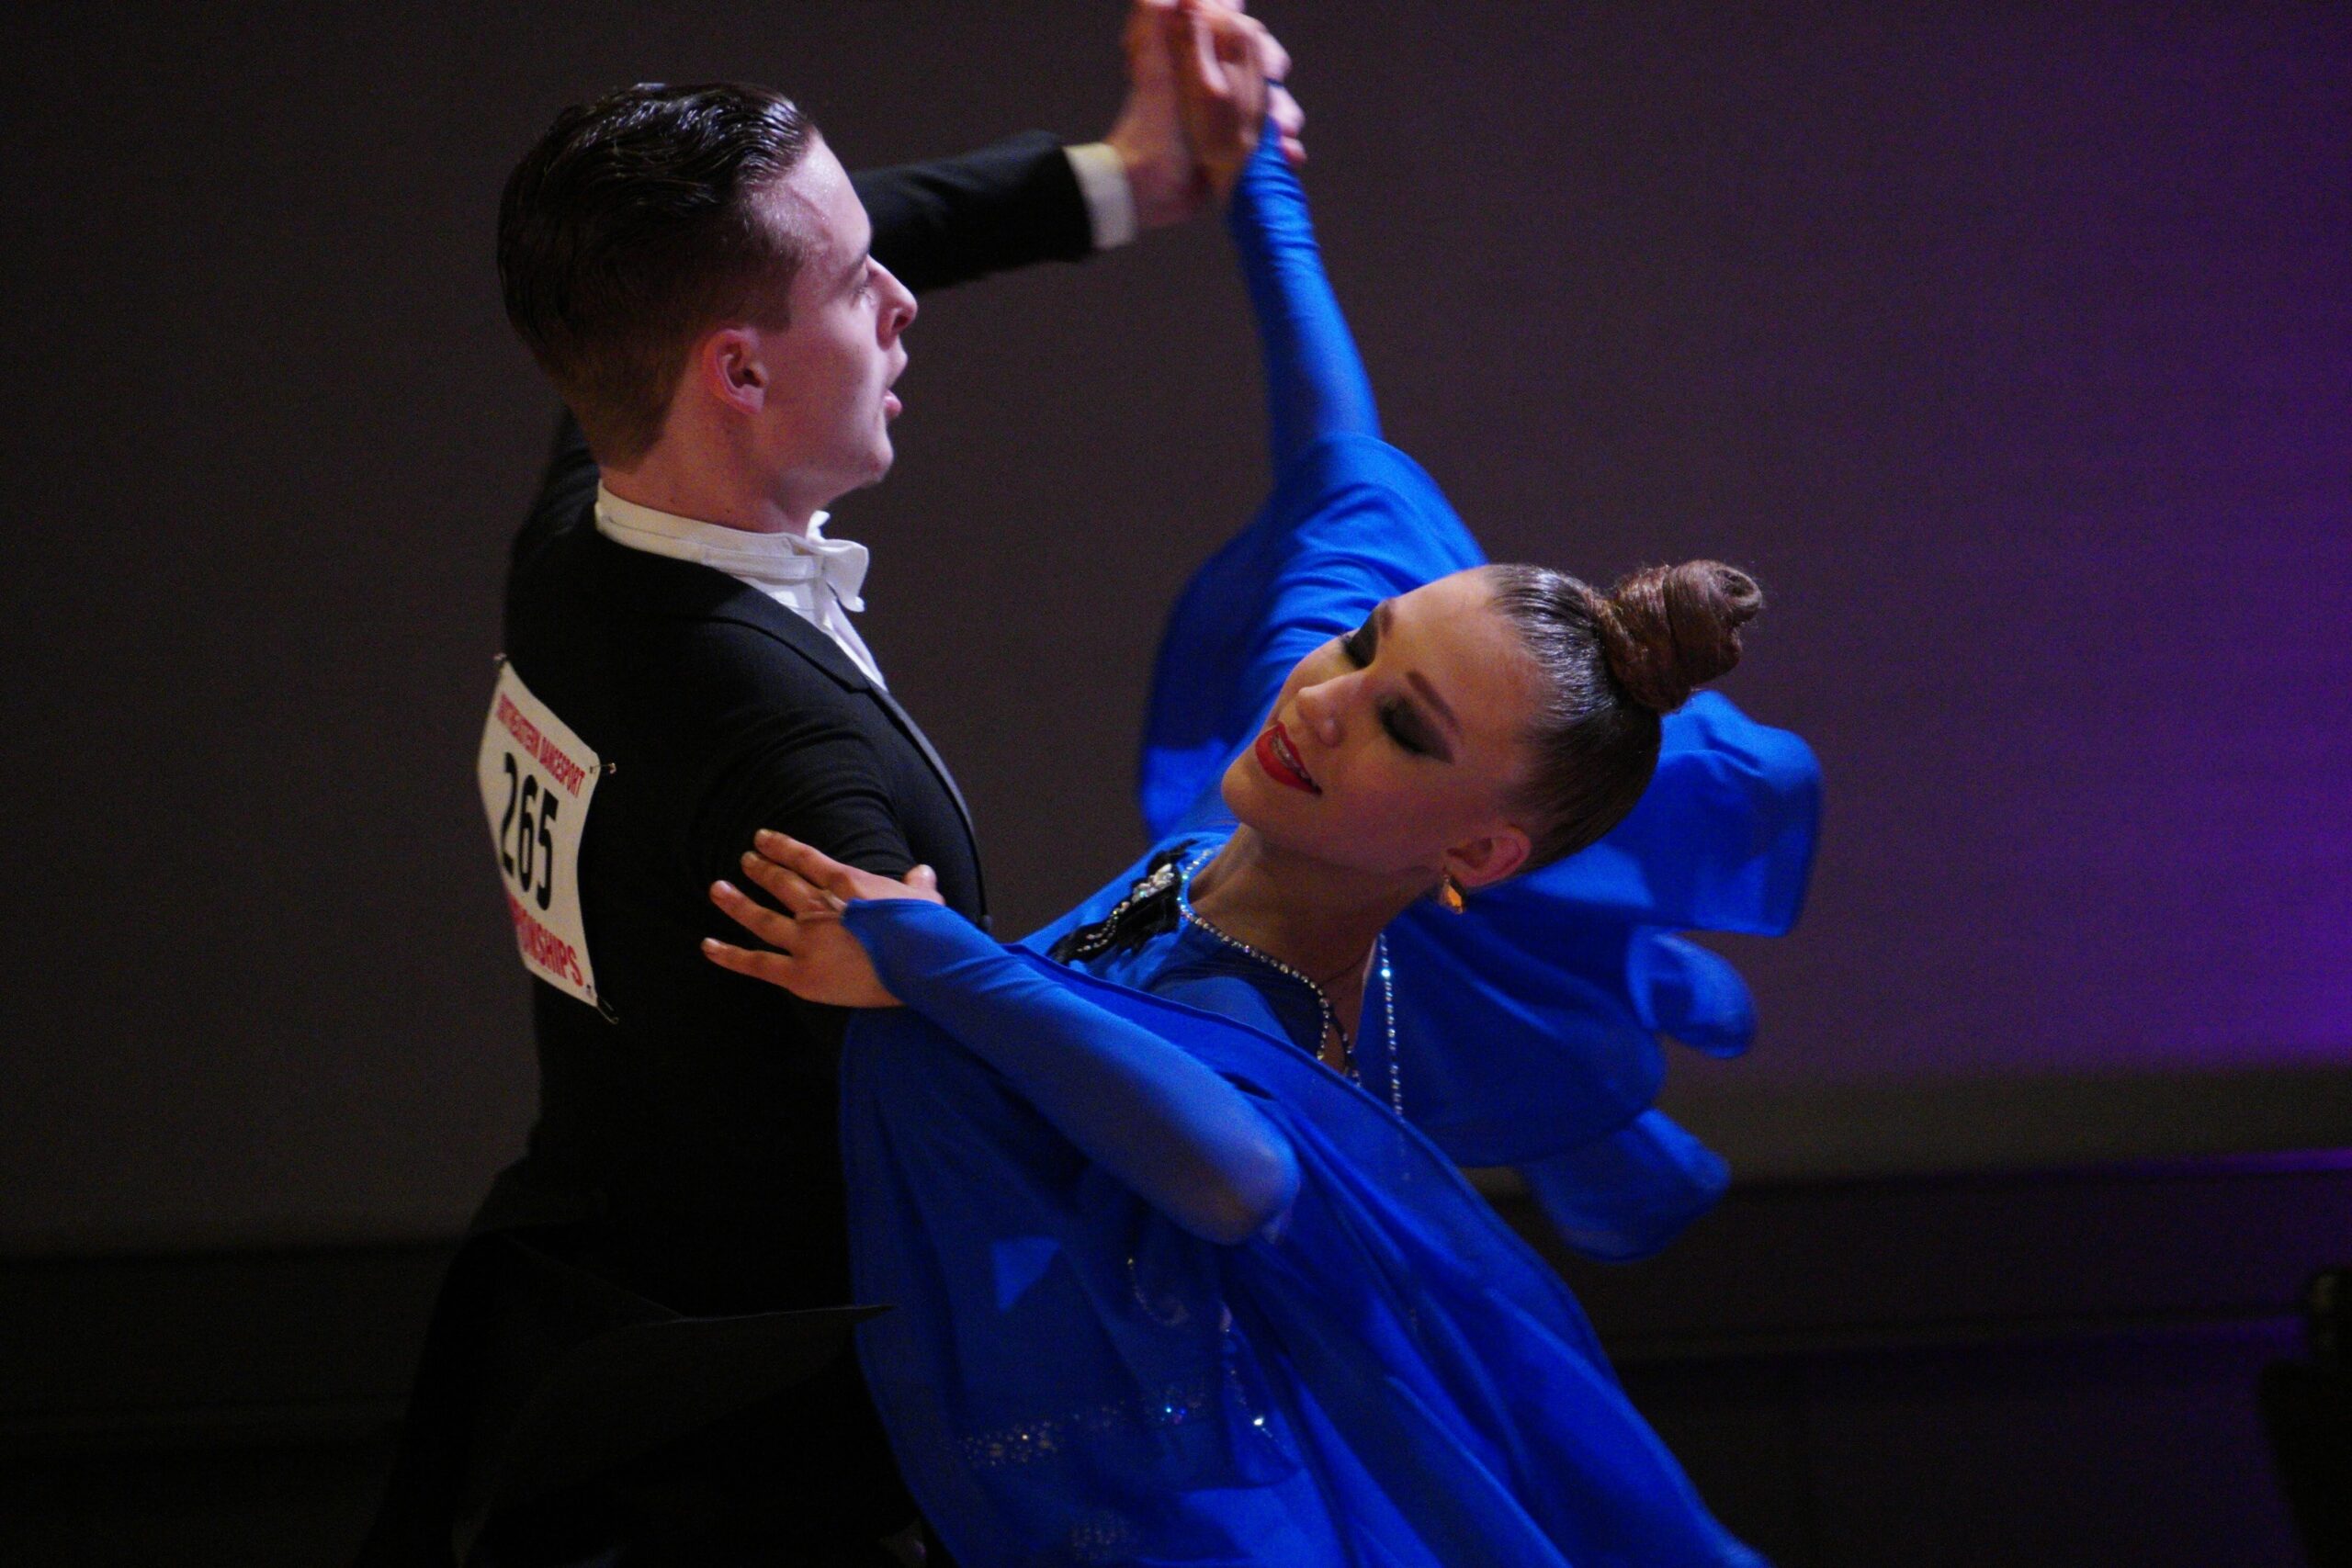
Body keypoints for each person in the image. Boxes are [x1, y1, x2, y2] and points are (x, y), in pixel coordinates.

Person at [703, 7, 1819, 1562]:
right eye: (1363, 643)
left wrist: (927, 953)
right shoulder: (1281, 786)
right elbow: (1336, 445)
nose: (1324, 697)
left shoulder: (1258, 1008)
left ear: (1479, 853)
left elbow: (1238, 1174)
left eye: (1406, 728)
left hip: (1156, 1515)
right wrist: (1263, 194)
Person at [361, 8, 1308, 1566]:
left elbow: (870, 226)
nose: (902, 300)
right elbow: (1023, 1100)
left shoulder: (584, 512)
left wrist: (1129, 177)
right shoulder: (795, 779)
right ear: (735, 370)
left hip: (579, 1304)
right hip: (764, 1443)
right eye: (856, 290)